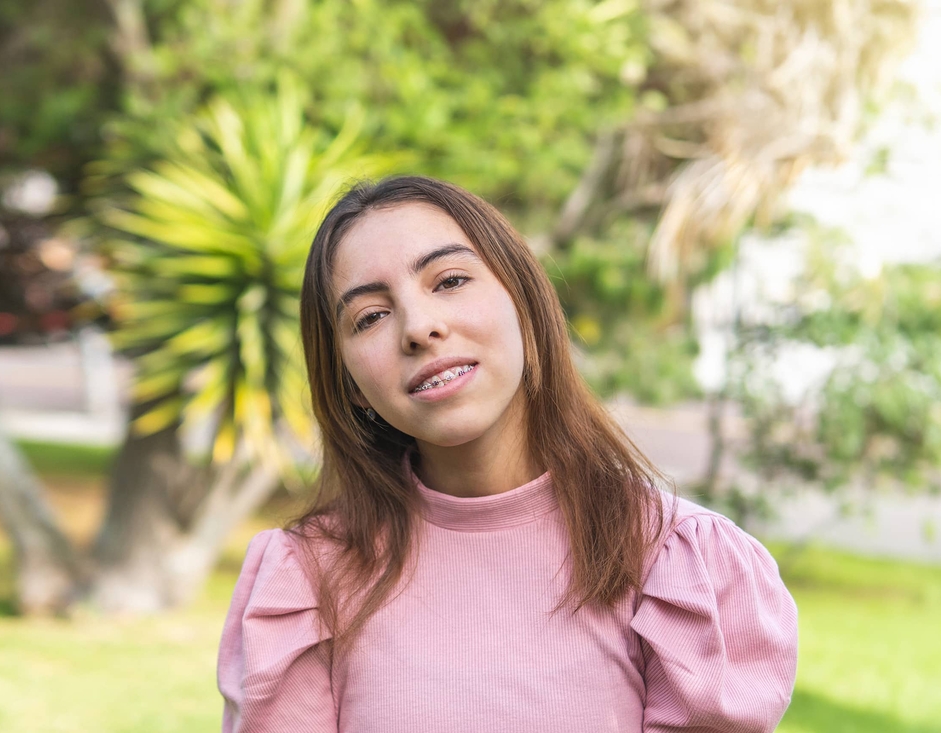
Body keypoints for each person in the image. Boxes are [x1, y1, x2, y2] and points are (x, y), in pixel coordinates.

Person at [217, 176, 798, 733]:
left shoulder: (674, 564)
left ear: (523, 301)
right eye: (370, 316)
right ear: (347, 381)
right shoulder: (306, 583)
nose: (419, 328)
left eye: (448, 281)